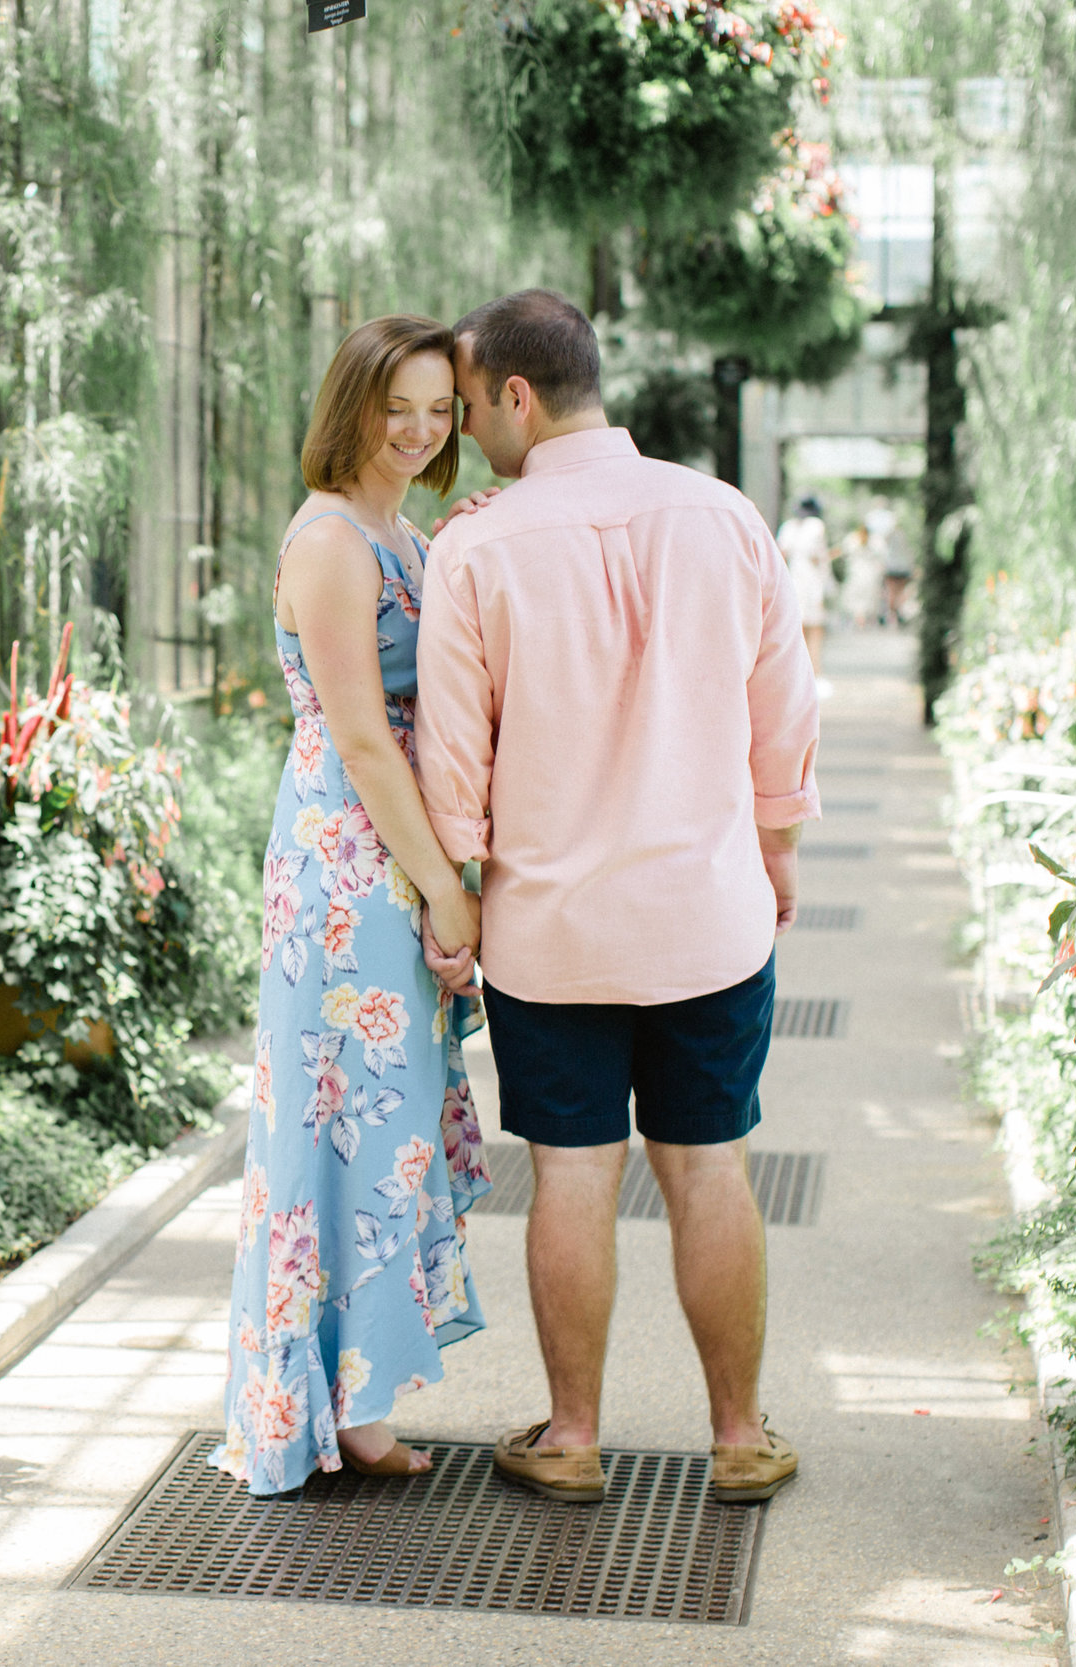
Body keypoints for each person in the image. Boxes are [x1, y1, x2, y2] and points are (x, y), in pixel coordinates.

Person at [414, 288, 819, 1506]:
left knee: (575, 1172)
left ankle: (574, 1434)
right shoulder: (723, 515)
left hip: (553, 936)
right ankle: (740, 1432)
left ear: (518, 396)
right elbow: (781, 704)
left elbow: (451, 754)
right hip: (708, 915)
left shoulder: (477, 547)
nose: (464, 432)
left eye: (472, 405)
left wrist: (458, 891)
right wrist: (777, 846)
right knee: (709, 1166)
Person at [211, 314, 494, 1496]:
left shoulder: (402, 531)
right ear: (353, 404)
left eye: (441, 409)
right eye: (400, 407)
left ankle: (357, 1388)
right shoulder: (331, 539)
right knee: (340, 1125)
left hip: (393, 853)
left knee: (380, 1125)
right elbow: (366, 740)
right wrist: (444, 887)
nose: (421, 429)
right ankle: (325, 1401)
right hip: (348, 864)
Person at [776, 496, 833, 676]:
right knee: (815, 630)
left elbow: (781, 555)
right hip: (812, 580)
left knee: (796, 630)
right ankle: (816, 673)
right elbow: (818, 557)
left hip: (793, 580)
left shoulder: (787, 527)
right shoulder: (816, 526)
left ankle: (798, 676)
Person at [872, 503, 914, 627]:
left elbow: (881, 550)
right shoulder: (905, 535)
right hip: (903, 566)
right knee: (900, 591)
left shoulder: (887, 535)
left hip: (891, 566)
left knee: (891, 591)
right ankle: (899, 614)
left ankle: (891, 615)